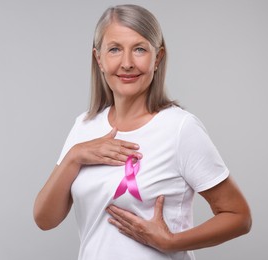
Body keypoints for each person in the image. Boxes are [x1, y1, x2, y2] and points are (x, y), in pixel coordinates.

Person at [33, 4, 251, 260]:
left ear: (157, 58)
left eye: (139, 49)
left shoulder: (180, 128)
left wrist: (171, 242)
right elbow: (45, 219)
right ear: (99, 59)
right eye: (114, 49)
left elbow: (239, 216)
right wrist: (75, 155)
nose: (127, 63)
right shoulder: (84, 126)